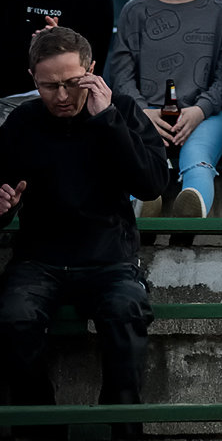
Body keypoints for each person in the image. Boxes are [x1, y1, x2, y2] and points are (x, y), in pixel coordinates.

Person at [0, 27, 168, 439]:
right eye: (48, 86)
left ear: (91, 71)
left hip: (109, 259)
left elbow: (151, 184)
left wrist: (107, 119)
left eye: (72, 83)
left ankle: (122, 428)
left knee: (126, 311)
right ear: (32, 78)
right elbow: (3, 195)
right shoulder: (22, 122)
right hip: (39, 260)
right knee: (14, 316)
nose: (61, 96)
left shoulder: (121, 111)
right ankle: (41, 428)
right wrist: (3, 207)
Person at [110, 0, 222, 230]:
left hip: (206, 116)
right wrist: (144, 112)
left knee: (197, 157)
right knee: (138, 157)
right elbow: (121, 74)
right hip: (146, 114)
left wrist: (198, 111)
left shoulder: (221, 12)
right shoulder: (136, 10)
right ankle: (143, 204)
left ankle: (192, 209)